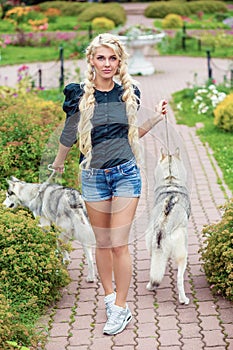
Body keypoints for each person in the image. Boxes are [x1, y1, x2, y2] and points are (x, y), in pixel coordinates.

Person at [52, 33, 167, 335]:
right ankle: (109, 299)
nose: (107, 63)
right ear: (91, 59)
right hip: (92, 177)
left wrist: (155, 118)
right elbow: (69, 133)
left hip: (126, 174)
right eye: (101, 57)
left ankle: (120, 308)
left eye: (112, 58)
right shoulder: (78, 93)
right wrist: (60, 161)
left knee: (118, 243)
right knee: (101, 242)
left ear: (119, 62)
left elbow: (133, 136)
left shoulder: (129, 92)